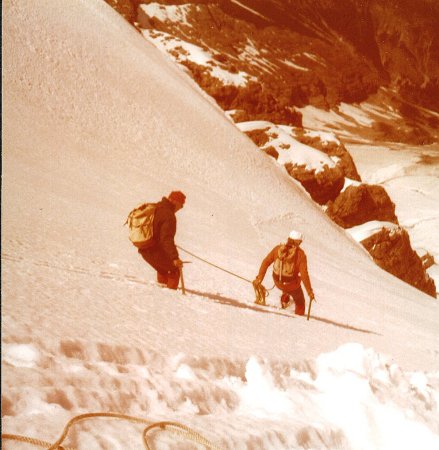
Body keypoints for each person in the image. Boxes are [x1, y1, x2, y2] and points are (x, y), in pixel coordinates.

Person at [253, 230, 315, 315]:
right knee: (300, 301)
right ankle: (299, 318)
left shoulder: (278, 249)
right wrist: (309, 292)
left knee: (285, 287)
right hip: (291, 285)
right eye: (300, 241)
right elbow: (304, 274)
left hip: (277, 281)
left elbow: (266, 262)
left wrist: (259, 278)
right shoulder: (301, 254)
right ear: (298, 241)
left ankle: (285, 298)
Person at [138, 191, 186, 289]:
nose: (180, 208)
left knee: (163, 268)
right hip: (154, 251)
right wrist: (175, 258)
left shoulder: (156, 207)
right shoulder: (169, 215)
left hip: (144, 249)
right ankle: (169, 297)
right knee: (174, 269)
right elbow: (166, 239)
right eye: (181, 205)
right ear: (175, 202)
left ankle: (161, 291)